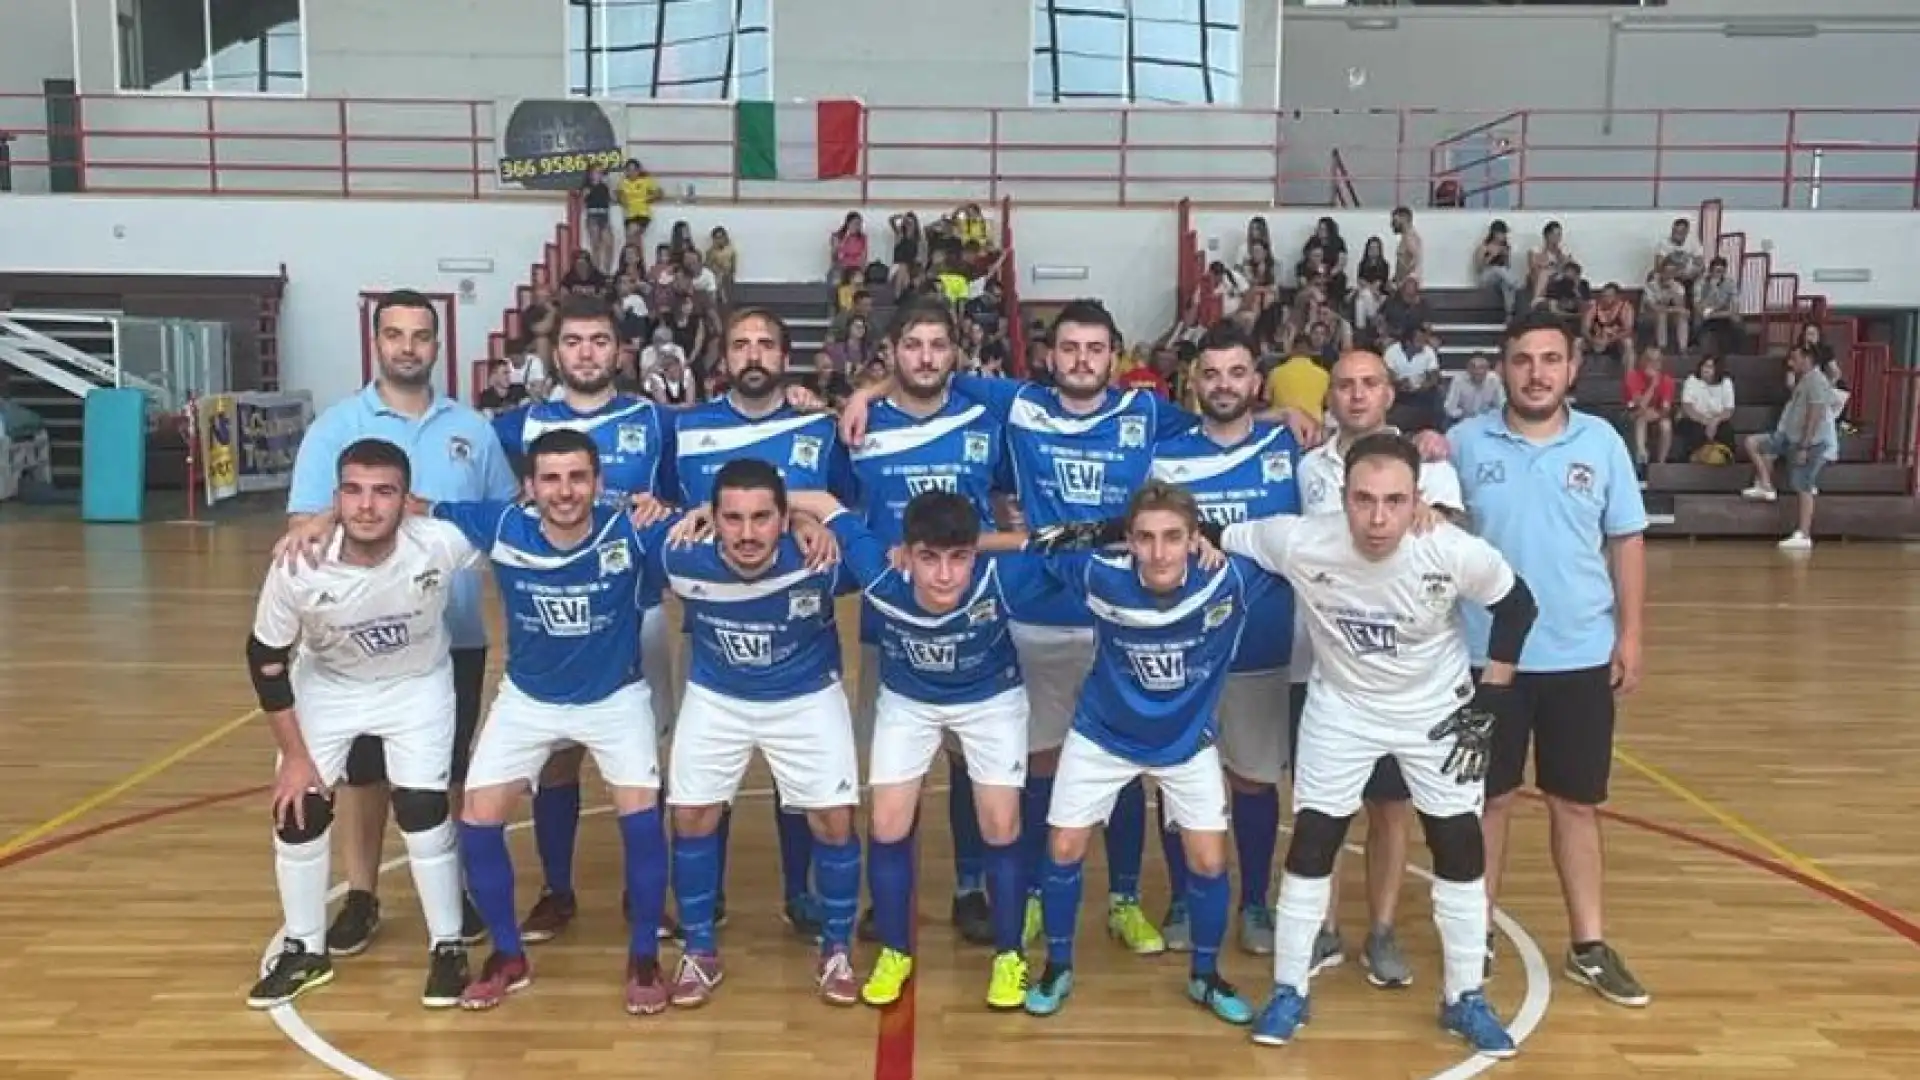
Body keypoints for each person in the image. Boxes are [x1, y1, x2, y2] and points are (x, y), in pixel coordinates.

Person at [839, 300, 1263, 958]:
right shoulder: (1016, 403)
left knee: (1126, 762)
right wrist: (865, 392)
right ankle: (1033, 894)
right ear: (1049, 356)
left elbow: (1219, 427)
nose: (1082, 361)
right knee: (1033, 766)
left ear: (1116, 356)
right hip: (1033, 610)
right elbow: (924, 374)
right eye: (1069, 349)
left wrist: (1278, 422)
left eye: (1095, 349)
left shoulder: (1144, 412)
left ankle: (1123, 900)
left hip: (1122, 613)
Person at [1220, 434, 1537, 1056]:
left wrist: (1490, 703)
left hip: (1435, 712)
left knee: (1458, 845)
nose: (1378, 517)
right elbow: (1210, 531)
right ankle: (1289, 988)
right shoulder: (1301, 539)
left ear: (1419, 499)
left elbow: (1518, 606)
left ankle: (1464, 996)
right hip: (1341, 708)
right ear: (1342, 499)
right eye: (1363, 500)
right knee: (1313, 841)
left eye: (1395, 501)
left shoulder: (1449, 549)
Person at [367, 429, 677, 1013]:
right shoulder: (502, 525)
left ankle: (643, 957)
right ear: (529, 488)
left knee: (640, 814)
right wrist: (318, 522)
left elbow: (721, 524)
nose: (565, 491)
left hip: (615, 697)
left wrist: (801, 521)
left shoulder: (633, 529)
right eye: (552, 479)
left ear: (599, 483)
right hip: (528, 698)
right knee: (479, 817)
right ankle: (508, 955)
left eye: (578, 478)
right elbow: (409, 506)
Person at [282, 289, 518, 956]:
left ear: (437, 346)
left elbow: (501, 524)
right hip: (354, 643)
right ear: (376, 341)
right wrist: (358, 513)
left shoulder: (472, 430)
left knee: (448, 771)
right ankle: (362, 894)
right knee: (363, 777)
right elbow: (302, 524)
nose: (407, 346)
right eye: (395, 334)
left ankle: (456, 891)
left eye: (420, 335)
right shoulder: (335, 427)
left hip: (453, 635)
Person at [1017, 480, 1276, 1026]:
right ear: (1128, 541)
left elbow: (1295, 549)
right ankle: (1057, 965)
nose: (1159, 552)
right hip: (1103, 733)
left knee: (1208, 860)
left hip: (1185, 743)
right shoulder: (1098, 574)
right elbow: (1036, 551)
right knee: (1063, 846)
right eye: (1145, 538)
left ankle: (1205, 976)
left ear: (1194, 539)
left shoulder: (1229, 578)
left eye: (1173, 537)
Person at [1449, 306, 1650, 1007]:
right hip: (1483, 661)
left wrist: (1629, 636)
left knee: (1576, 803)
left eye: (1550, 360)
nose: (1536, 373)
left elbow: (1626, 539)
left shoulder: (1602, 444)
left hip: (1578, 656)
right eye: (1523, 360)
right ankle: (1472, 932)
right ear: (1502, 366)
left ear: (1572, 367)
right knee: (1488, 801)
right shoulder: (1464, 441)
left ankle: (1588, 946)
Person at [781, 488, 1043, 1009]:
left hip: (990, 699)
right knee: (887, 822)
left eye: (957, 558)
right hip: (908, 701)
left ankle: (1009, 956)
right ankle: (896, 950)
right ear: (905, 551)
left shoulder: (1006, 577)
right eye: (929, 558)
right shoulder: (878, 570)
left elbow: (1092, 559)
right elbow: (824, 498)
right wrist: (774, 511)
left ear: (975, 553)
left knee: (1000, 823)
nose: (944, 575)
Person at [245, 439, 476, 1011]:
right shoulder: (299, 563)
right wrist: (295, 758)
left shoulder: (439, 543)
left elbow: (521, 525)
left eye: (383, 491)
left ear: (407, 501)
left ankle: (448, 946)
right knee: (297, 809)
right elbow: (265, 660)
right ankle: (304, 947)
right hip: (330, 686)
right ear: (335, 498)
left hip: (417, 684)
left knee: (423, 810)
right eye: (352, 491)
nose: (367, 506)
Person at [490, 294, 680, 946]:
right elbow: (492, 506)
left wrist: (665, 504)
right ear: (557, 351)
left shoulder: (653, 420)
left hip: (638, 612)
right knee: (558, 761)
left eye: (600, 341)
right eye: (574, 342)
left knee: (646, 763)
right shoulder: (521, 425)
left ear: (618, 351)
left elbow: (691, 500)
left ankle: (648, 896)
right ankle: (556, 889)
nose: (587, 353)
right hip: (553, 618)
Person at [671, 307, 853, 938]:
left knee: (793, 774)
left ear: (784, 357)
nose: (754, 354)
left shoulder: (817, 427)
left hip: (800, 629)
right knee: (705, 778)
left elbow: (845, 510)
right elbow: (673, 509)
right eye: (741, 344)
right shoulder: (688, 427)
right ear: (723, 357)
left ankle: (799, 892)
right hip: (712, 626)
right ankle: (708, 893)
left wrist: (801, 516)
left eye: (766, 345)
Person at [659, 460, 862, 1008]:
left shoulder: (822, 556)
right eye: (732, 518)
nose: (747, 533)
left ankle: (837, 947)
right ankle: (699, 950)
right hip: (717, 694)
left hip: (806, 695)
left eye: (762, 518)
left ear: (783, 517)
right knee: (692, 814)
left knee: (834, 820)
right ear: (712, 519)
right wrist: (682, 512)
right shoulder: (677, 550)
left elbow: (885, 542)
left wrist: (810, 516)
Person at [1291, 349, 1462, 988]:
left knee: (1390, 810)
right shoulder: (1309, 468)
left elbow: (1454, 547)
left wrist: (1437, 516)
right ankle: (1323, 928)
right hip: (1322, 669)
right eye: (1344, 386)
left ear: (1390, 393)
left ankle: (1383, 931)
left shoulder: (1432, 467)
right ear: (1327, 396)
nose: (1357, 395)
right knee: (1320, 808)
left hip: (1402, 680)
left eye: (1370, 384)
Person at [841, 303, 1009, 947]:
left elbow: (1007, 508)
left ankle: (971, 888)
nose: (927, 357)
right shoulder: (859, 425)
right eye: (913, 345)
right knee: (893, 770)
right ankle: (890, 896)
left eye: (940, 345)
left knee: (971, 765)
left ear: (956, 354)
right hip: (889, 624)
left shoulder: (983, 422)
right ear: (891, 351)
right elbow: (833, 509)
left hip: (970, 621)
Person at [1145, 322, 1301, 957]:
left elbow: (1368, 452)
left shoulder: (1290, 446)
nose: (1224, 385)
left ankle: (1256, 902)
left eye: (1236, 373)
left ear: (1256, 381)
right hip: (1182, 651)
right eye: (1210, 374)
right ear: (1193, 382)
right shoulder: (1165, 452)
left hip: (1262, 645)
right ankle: (1183, 894)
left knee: (1254, 782)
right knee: (1179, 779)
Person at [1741, 345, 1837, 551]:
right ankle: (1765, 485)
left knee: (1803, 485)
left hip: (1807, 443)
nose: (1791, 363)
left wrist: (1804, 445)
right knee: (1754, 443)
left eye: (1796, 358)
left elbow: (1815, 414)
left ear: (1808, 359)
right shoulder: (1804, 381)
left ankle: (1804, 533)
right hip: (1787, 437)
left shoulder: (1817, 381)